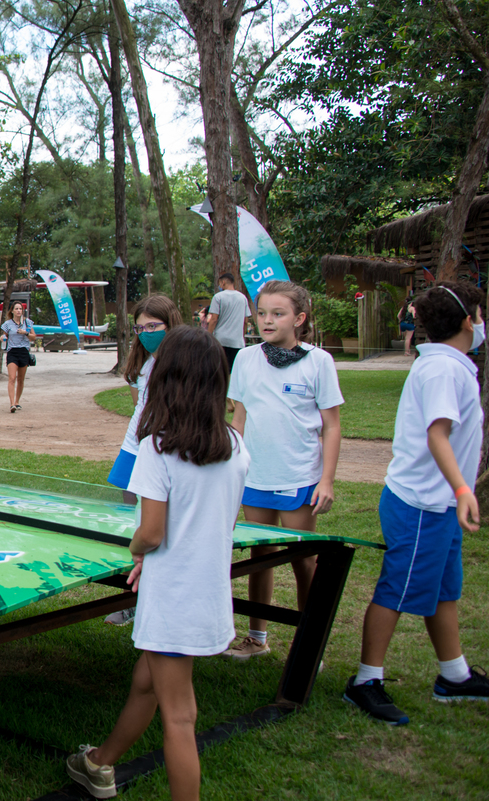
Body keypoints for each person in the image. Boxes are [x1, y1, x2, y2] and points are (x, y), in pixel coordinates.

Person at [66, 326, 250, 801]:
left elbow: (151, 532)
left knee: (180, 717)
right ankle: (99, 763)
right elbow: (216, 523)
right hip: (207, 588)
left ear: (166, 379)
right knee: (145, 682)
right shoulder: (234, 444)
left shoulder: (158, 447)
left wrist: (137, 553)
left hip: (173, 597)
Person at [343, 281, 487, 725]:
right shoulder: (444, 370)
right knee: (397, 590)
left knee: (445, 591)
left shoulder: (449, 365)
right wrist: (464, 489)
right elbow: (437, 434)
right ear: (469, 321)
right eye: (481, 315)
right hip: (423, 504)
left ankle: (454, 676)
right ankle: (365, 681)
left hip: (437, 504)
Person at [222, 280, 343, 659]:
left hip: (299, 479)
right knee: (260, 556)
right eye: (261, 313)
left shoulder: (319, 361)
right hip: (254, 478)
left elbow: (332, 426)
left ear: (300, 318)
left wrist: (326, 480)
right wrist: (229, 470)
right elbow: (238, 420)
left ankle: (310, 645)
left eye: (278, 313)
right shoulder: (245, 358)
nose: (267, 321)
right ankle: (256, 638)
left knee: (302, 559)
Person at [104, 294, 182, 627]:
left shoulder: (184, 359)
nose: (146, 333)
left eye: (153, 326)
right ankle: (132, 595)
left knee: (155, 523)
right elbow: (140, 404)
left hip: (163, 449)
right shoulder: (143, 360)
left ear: (170, 324)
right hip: (134, 444)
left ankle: (155, 596)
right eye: (140, 328)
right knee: (128, 518)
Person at [206, 273, 251, 378]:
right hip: (236, 341)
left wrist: (208, 335)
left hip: (220, 340)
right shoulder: (242, 298)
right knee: (233, 371)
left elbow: (214, 319)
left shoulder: (218, 297)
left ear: (223, 282)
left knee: (218, 369)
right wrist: (242, 336)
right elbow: (245, 321)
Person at [0, 301, 36, 412]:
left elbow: (34, 337)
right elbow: (3, 336)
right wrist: (2, 338)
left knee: (21, 379)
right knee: (12, 378)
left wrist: (25, 333)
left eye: (20, 309)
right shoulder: (7, 324)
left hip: (24, 351)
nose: (19, 311)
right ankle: (12, 404)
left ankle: (17, 401)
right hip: (12, 351)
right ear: (12, 311)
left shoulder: (28, 323)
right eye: (16, 309)